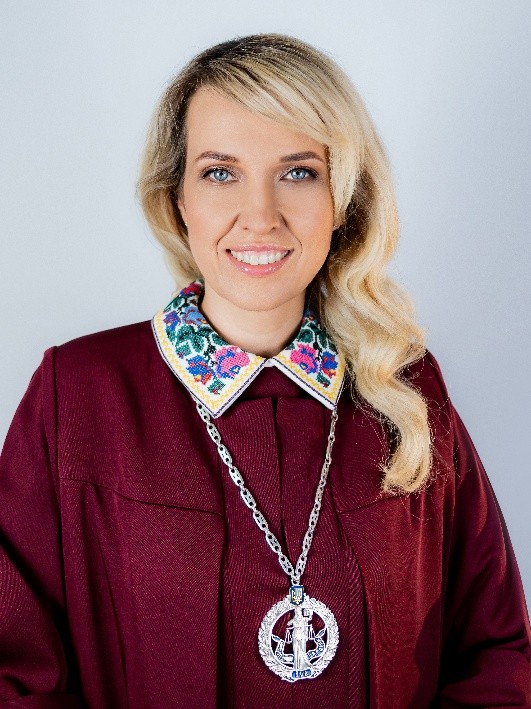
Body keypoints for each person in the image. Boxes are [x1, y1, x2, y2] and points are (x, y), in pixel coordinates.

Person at [0, 33, 529, 708]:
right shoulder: (78, 395)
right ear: (177, 199)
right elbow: (14, 672)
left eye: (298, 172)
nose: (259, 217)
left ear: (342, 200)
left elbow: (494, 653)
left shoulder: (406, 389)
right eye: (220, 173)